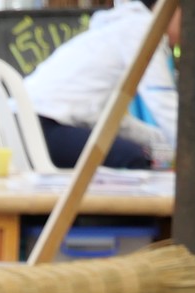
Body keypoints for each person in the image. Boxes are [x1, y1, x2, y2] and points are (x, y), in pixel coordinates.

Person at [23, 0, 184, 170]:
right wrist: (194, 152)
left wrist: (162, 141)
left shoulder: (117, 28)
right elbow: (161, 98)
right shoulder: (142, 28)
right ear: (165, 9)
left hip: (29, 122)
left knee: (139, 154)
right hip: (42, 125)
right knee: (133, 158)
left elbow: (115, 123)